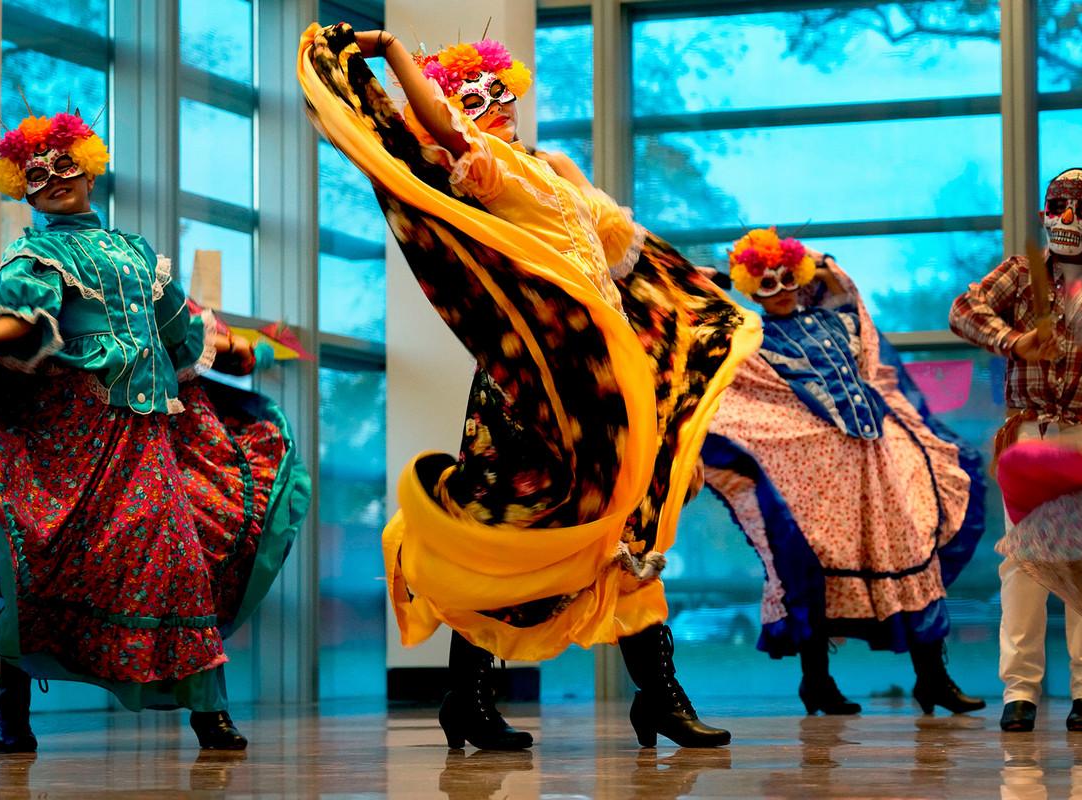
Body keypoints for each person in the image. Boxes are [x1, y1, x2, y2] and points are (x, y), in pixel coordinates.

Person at [298, 23, 762, 749]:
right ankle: (470, 694)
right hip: (532, 387)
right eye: (478, 96)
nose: (498, 105)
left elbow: (629, 253)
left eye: (502, 92)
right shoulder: (485, 172)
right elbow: (445, 132)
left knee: (625, 527)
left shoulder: (554, 171)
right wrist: (393, 59)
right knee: (520, 527)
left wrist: (698, 296)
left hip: (605, 380)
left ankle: (654, 697)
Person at [0, 108, 310, 752]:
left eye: (64, 166)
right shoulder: (34, 252)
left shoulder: (136, 251)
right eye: (36, 175)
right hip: (75, 435)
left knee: (177, 557)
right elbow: (25, 313)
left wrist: (244, 348)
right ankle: (11, 703)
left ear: (90, 170)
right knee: (39, 555)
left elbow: (181, 331)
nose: (53, 180)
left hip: (148, 437)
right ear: (21, 187)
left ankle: (208, 711)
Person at [702, 228, 986, 717]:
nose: (781, 289)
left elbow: (847, 294)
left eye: (788, 276)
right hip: (818, 472)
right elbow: (724, 373)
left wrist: (812, 258)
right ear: (751, 287)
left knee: (909, 547)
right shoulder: (753, 338)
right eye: (766, 283)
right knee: (814, 562)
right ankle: (817, 683)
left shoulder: (835, 321)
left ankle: (933, 679)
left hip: (875, 461)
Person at [949, 166, 1082, 733]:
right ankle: (1020, 692)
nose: (1069, 220)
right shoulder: (1017, 273)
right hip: (1032, 438)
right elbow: (964, 310)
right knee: (1024, 565)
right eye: (1060, 206)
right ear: (1043, 211)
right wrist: (1014, 341)